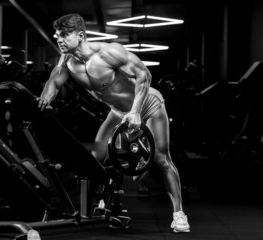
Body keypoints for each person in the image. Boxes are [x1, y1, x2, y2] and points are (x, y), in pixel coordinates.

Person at [37, 13, 190, 233]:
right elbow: (54, 82)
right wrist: (43, 101)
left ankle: (179, 214)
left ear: (80, 35)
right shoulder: (67, 62)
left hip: (148, 104)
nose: (58, 39)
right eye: (56, 35)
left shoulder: (109, 52)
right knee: (96, 157)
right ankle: (102, 201)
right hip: (118, 111)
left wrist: (136, 112)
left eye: (64, 35)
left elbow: (144, 75)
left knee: (161, 159)